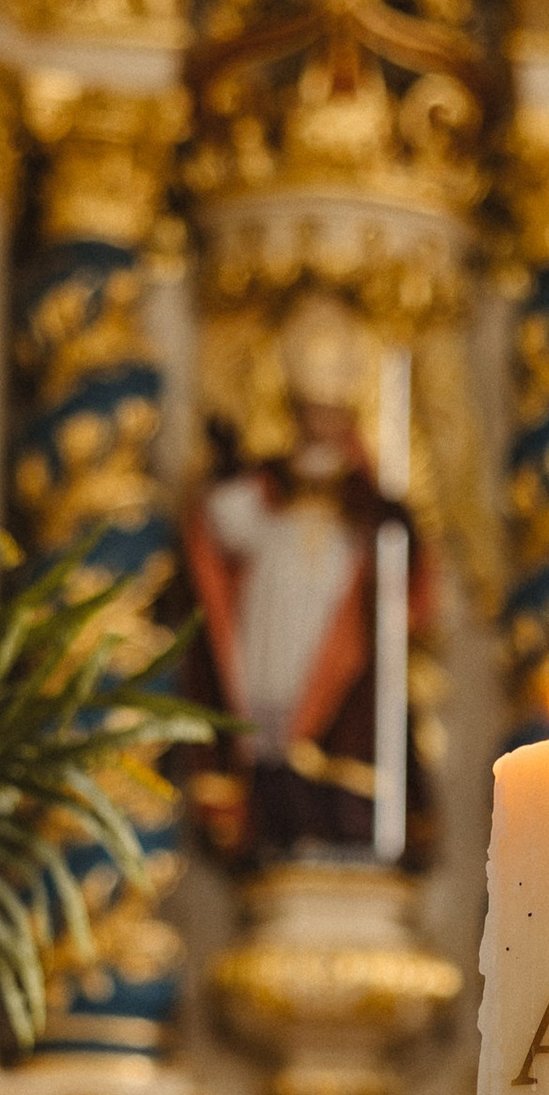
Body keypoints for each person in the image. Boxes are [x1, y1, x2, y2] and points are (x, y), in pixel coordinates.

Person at [176, 289, 433, 867]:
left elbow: (404, 568)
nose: (321, 424)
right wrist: (225, 466)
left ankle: (332, 822)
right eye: (310, 412)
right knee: (272, 721)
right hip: (274, 624)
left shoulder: (366, 499)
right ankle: (275, 819)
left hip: (335, 634)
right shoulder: (268, 485)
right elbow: (225, 528)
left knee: (340, 723)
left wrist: (390, 528)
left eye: (332, 413)